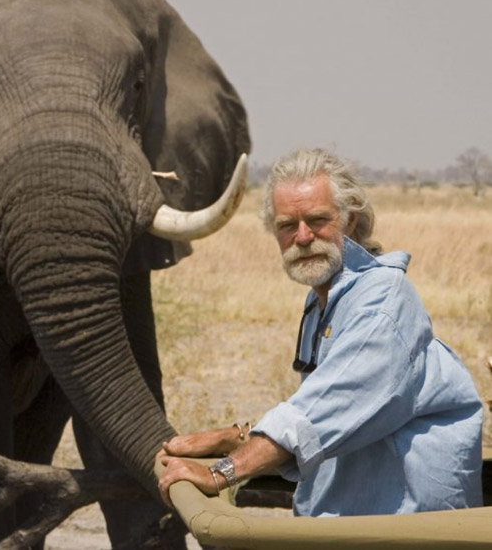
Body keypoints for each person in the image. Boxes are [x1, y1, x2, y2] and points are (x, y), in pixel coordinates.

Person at [158, 148, 483, 516]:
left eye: (317, 219)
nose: (302, 236)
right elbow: (335, 409)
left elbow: (328, 408)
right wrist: (240, 436)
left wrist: (221, 472)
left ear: (350, 221)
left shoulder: (382, 303)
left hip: (403, 530)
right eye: (286, 225)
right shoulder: (325, 299)